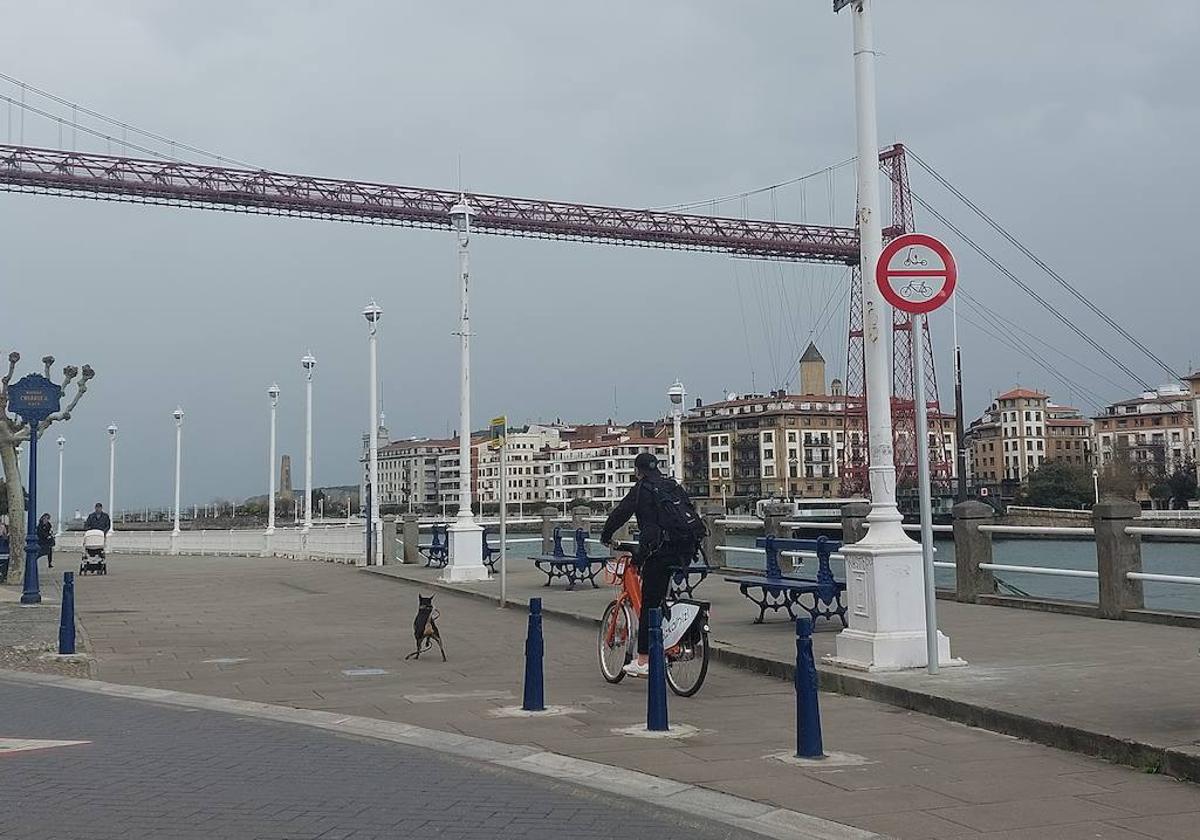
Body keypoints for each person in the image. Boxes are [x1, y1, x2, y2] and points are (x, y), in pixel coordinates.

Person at [600, 452, 694, 678]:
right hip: (684, 550)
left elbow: (621, 513)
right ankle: (673, 636)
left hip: (659, 551)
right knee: (662, 596)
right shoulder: (671, 485)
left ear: (637, 471)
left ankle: (642, 660)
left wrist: (606, 535)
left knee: (649, 601)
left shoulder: (642, 489)